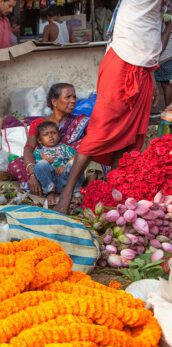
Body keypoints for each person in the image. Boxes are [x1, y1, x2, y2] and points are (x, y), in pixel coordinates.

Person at [56, 0, 164, 214]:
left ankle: (112, 197)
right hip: (122, 63)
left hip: (144, 66)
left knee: (129, 139)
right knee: (100, 132)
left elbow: (157, 34)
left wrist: (152, 73)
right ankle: (66, 195)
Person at [8, 83, 90, 196]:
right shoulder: (39, 123)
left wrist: (66, 163)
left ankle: (61, 186)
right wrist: (32, 174)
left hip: (67, 166)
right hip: (45, 164)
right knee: (16, 164)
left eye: (74, 97)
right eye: (68, 97)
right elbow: (29, 148)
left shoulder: (80, 121)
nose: (73, 101)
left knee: (85, 145)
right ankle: (43, 183)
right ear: (54, 101)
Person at [33, 121, 83, 205]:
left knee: (75, 162)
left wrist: (65, 166)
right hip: (52, 180)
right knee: (41, 165)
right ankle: (50, 192)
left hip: (67, 180)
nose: (50, 136)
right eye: (46, 134)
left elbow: (77, 156)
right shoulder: (39, 151)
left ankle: (76, 193)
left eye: (53, 133)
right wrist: (46, 162)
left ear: (59, 136)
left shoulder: (65, 148)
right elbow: (39, 168)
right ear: (39, 140)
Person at [156, 10, 172, 106]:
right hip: (162, 55)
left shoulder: (166, 15)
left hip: (165, 55)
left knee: (166, 85)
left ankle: (168, 118)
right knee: (166, 85)